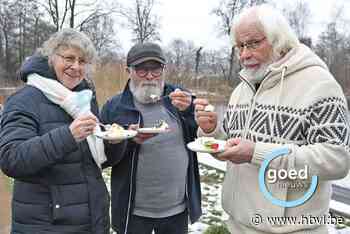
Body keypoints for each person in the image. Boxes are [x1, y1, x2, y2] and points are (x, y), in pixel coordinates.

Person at [194, 4, 350, 234]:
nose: (244, 55)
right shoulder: (242, 88)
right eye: (240, 46)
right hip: (237, 224)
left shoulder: (320, 85)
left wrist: (258, 153)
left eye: (254, 43)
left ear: (279, 39)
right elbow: (230, 141)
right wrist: (211, 131)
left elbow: (337, 160)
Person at [0, 28, 110, 234]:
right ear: (52, 57)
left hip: (92, 222)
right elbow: (11, 159)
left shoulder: (83, 99)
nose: (76, 66)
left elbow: (95, 162)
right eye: (69, 58)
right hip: (47, 225)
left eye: (82, 61)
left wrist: (115, 142)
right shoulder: (25, 100)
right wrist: (68, 136)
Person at [100, 42, 202, 234]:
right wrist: (127, 141)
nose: (149, 76)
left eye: (156, 69)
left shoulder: (180, 99)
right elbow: (102, 158)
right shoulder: (114, 107)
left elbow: (203, 136)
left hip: (177, 209)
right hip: (133, 212)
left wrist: (192, 111)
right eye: (141, 69)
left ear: (164, 69)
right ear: (128, 70)